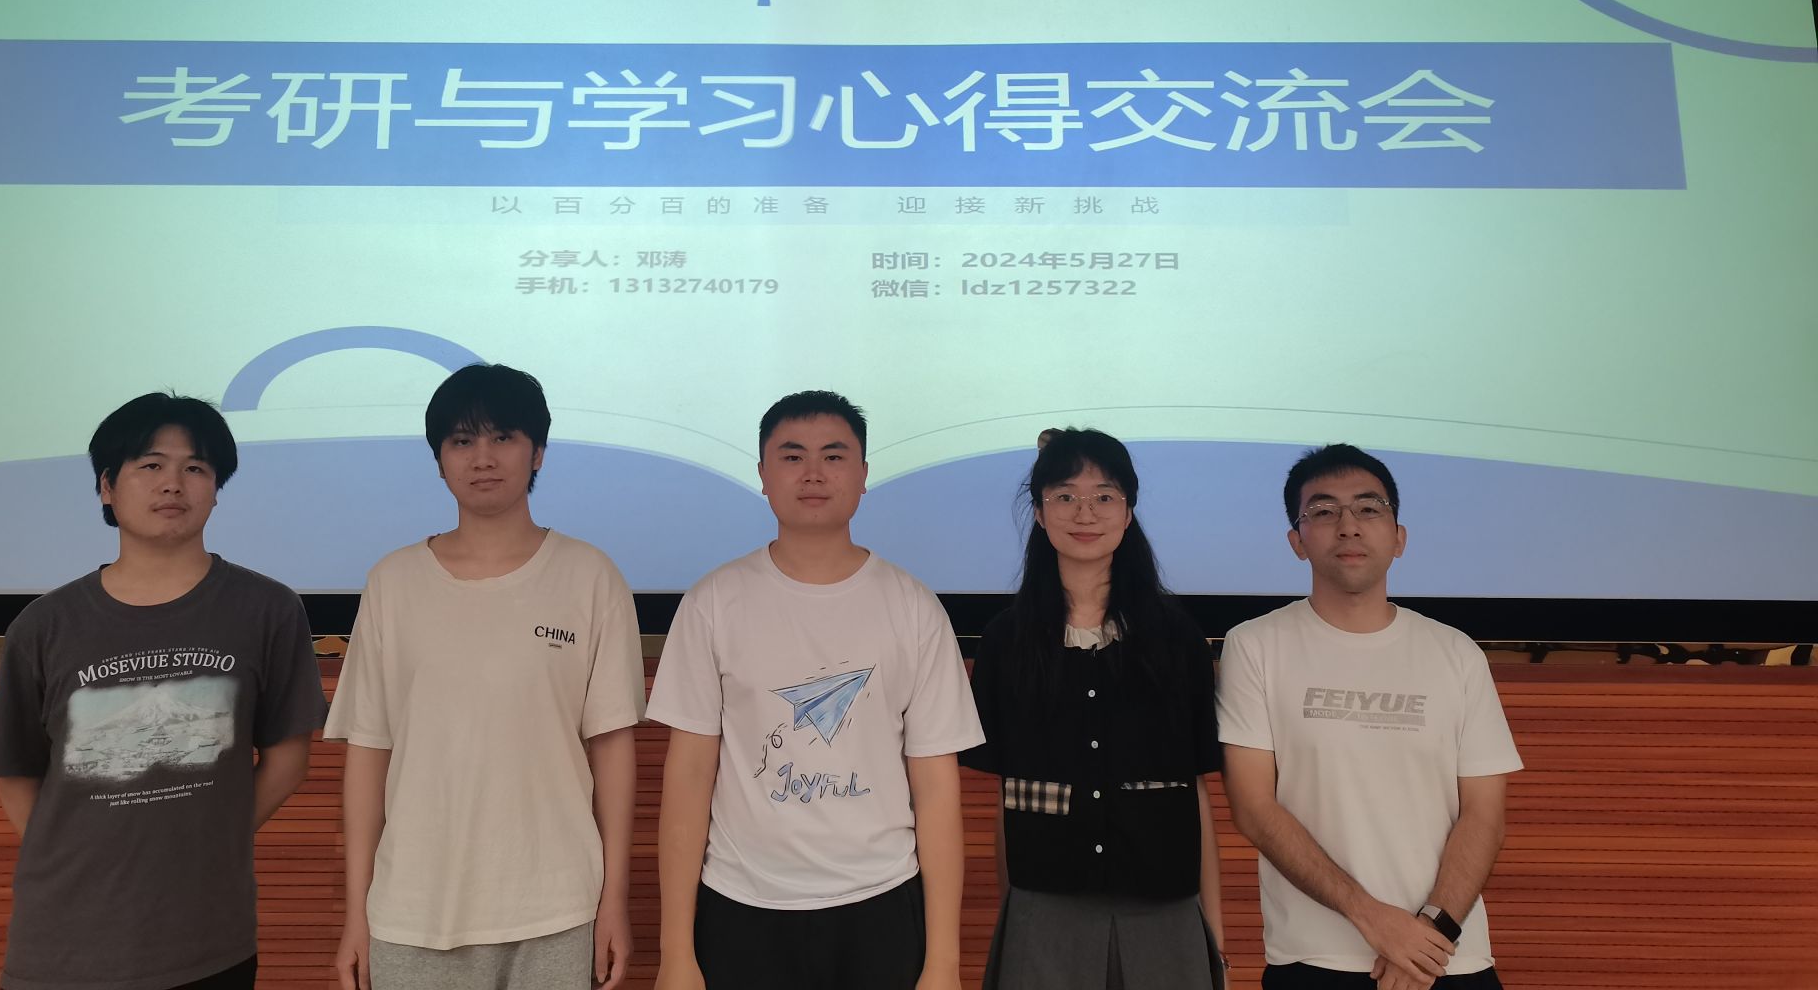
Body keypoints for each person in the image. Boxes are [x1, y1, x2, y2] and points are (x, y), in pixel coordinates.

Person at [0, 392, 327, 990]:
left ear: (216, 490)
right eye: (150, 465)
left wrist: (206, 843)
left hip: (206, 939)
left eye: (196, 468)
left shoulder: (267, 609)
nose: (173, 484)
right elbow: (17, 776)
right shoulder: (44, 626)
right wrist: (84, 859)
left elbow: (288, 761)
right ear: (106, 487)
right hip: (63, 945)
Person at [647, 390, 983, 990]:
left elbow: (936, 790)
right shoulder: (713, 602)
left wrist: (944, 963)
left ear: (862, 474)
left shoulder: (913, 607)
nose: (813, 473)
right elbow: (689, 778)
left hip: (881, 901)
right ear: (762, 474)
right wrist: (676, 953)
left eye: (833, 456)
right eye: (792, 456)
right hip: (741, 903)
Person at [326, 362, 644, 990]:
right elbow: (368, 752)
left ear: (538, 453)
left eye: (503, 437)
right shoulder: (393, 582)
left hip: (557, 906)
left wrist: (614, 900)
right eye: (462, 440)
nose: (483, 457)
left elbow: (612, 748)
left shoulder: (589, 576)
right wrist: (356, 914)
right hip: (412, 910)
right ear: (439, 460)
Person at [1217, 444, 1522, 990]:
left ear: (1399, 537)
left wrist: (1431, 933)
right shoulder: (1255, 645)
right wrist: (1373, 919)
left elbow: (1484, 814)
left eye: (1368, 508)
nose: (1348, 526)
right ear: (1297, 541)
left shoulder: (1456, 653)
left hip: (1448, 959)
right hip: (1315, 962)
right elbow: (1254, 809)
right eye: (1323, 511)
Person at [961, 428, 1226, 989]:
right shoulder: (1007, 642)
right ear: (1039, 512)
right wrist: (1015, 916)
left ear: (1128, 512)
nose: (1085, 512)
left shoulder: (1176, 639)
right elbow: (1008, 797)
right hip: (1043, 910)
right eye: (1065, 495)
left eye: (1104, 496)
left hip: (1165, 908)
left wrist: (1217, 937)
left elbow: (1194, 791)